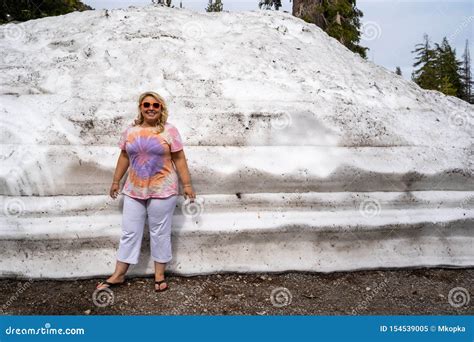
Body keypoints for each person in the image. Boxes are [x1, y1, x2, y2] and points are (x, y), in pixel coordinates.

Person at [96, 91, 196, 292]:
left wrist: (187, 185)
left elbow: (179, 159)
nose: (151, 108)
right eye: (146, 104)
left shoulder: (170, 131)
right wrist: (116, 180)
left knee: (160, 232)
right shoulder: (130, 131)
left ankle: (159, 275)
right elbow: (124, 156)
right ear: (141, 108)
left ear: (161, 109)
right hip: (134, 189)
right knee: (130, 232)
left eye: (155, 105)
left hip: (163, 189)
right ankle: (119, 275)